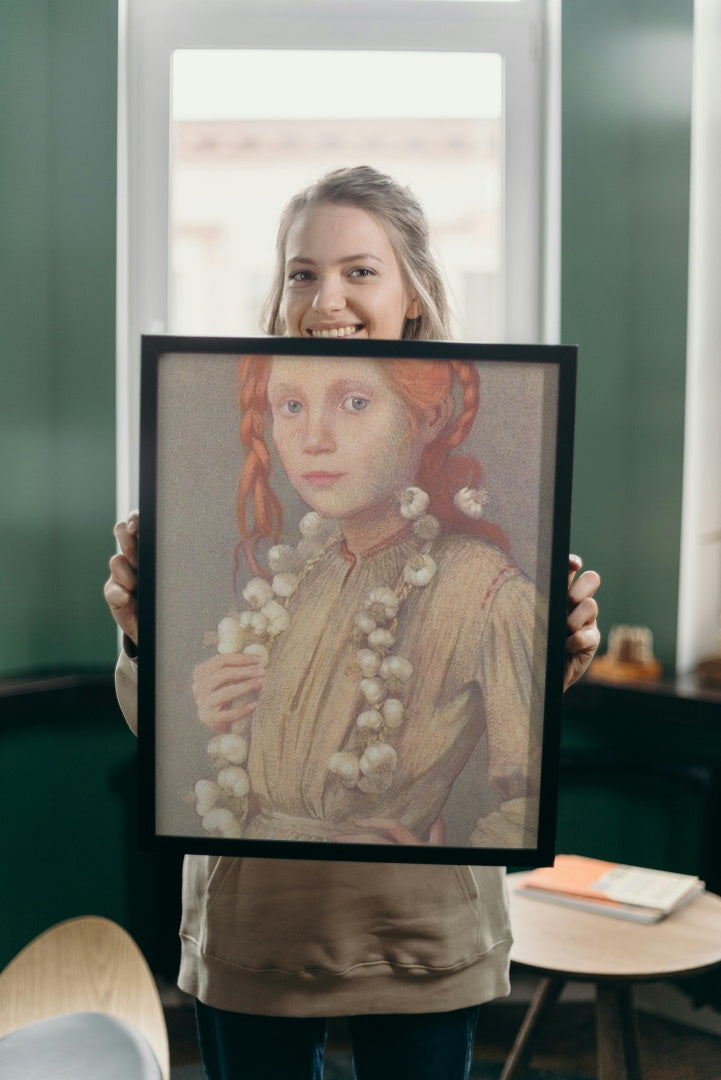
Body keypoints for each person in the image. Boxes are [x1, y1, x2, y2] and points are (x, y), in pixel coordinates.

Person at [105, 166, 600, 1080]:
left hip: (412, 936)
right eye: (301, 273)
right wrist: (155, 658)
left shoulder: (484, 583)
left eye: (358, 271)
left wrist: (555, 652)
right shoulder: (255, 562)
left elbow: (518, 782)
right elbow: (162, 747)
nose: (325, 298)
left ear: (411, 297)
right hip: (253, 928)